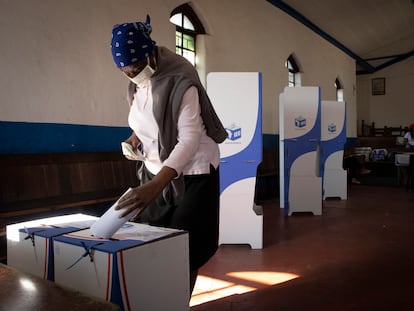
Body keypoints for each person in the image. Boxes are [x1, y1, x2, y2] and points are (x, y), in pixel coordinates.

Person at [109, 16, 228, 296]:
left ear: (150, 52)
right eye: (125, 71)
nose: (131, 75)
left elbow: (188, 139)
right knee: (153, 242)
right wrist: (136, 137)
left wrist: (154, 186)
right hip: (157, 171)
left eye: (136, 68)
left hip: (194, 173)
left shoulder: (180, 79)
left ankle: (178, 302)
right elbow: (151, 119)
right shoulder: (137, 84)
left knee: (184, 251)